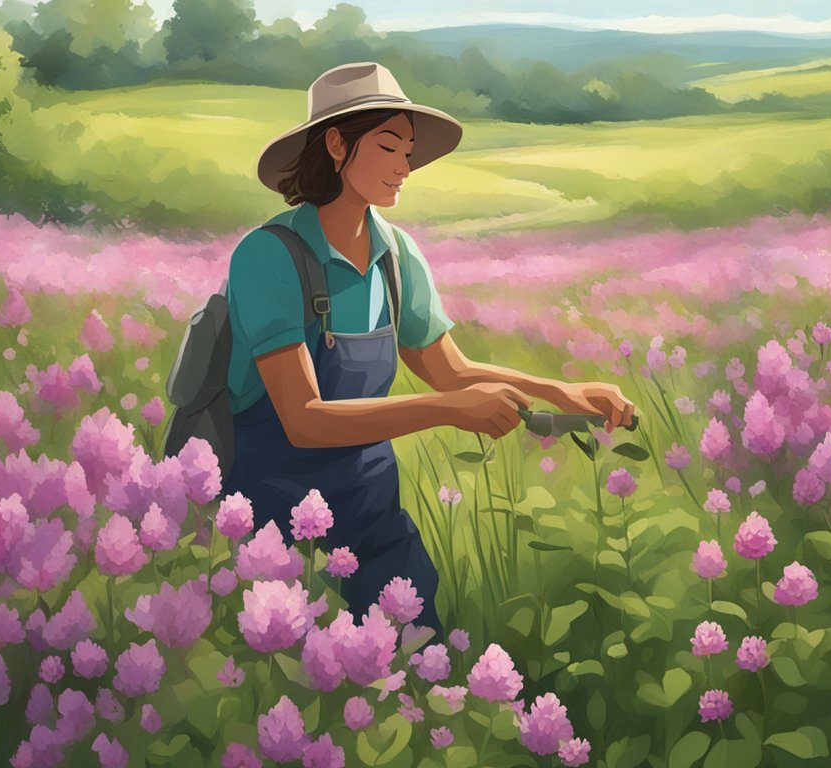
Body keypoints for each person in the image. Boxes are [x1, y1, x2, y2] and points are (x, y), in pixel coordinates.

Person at [219, 62, 636, 640]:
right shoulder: (268, 257)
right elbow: (304, 419)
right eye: (389, 147)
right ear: (337, 145)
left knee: (419, 662)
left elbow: (450, 370)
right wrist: (445, 410)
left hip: (370, 510)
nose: (404, 167)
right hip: (272, 523)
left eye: (409, 151)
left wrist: (558, 393)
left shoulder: (396, 255)